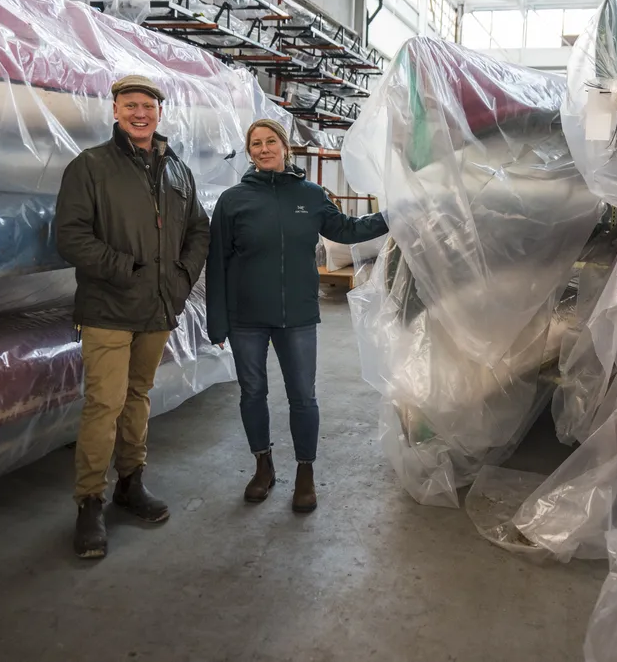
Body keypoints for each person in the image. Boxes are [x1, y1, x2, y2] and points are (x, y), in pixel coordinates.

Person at [55, 74, 210, 559]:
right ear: (116, 111)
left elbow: (199, 230)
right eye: (130, 105)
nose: (140, 113)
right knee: (105, 403)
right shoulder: (91, 167)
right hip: (108, 306)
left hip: (159, 307)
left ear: (160, 113)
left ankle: (130, 482)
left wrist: (182, 278)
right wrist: (126, 269)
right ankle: (89, 502)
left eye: (148, 105)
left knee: (139, 395)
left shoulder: (177, 171)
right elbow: (71, 236)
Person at [206, 119, 389, 512]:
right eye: (255, 143)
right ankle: (263, 466)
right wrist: (216, 321)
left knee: (302, 397)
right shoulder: (233, 200)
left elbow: (347, 229)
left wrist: (394, 215)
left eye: (270, 141)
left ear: (285, 147)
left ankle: (305, 472)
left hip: (298, 317)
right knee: (253, 393)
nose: (263, 148)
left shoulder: (310, 194)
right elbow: (217, 261)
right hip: (246, 319)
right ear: (249, 151)